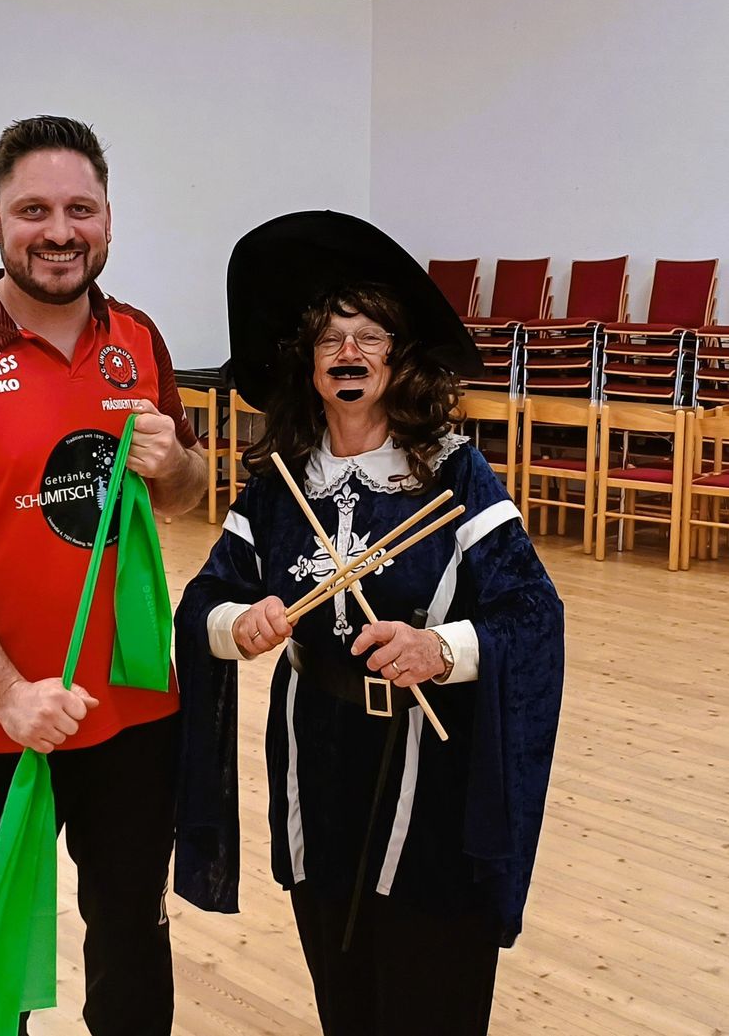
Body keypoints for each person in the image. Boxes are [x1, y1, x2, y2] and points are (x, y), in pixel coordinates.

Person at [174, 211, 564, 1036]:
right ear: (306, 362)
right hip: (316, 772)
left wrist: (440, 647)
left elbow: (533, 615)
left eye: (369, 335)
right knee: (344, 995)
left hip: (434, 788)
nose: (348, 353)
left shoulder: (453, 472)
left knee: (432, 995)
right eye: (329, 337)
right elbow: (203, 600)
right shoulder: (282, 485)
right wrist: (239, 624)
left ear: (399, 355)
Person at [0, 115, 207, 1035]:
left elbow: (186, 494)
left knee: (133, 931)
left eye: (79, 208)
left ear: (108, 219)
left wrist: (173, 464)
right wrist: (10, 693)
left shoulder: (137, 337)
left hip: (135, 707)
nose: (58, 230)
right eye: (33, 209)